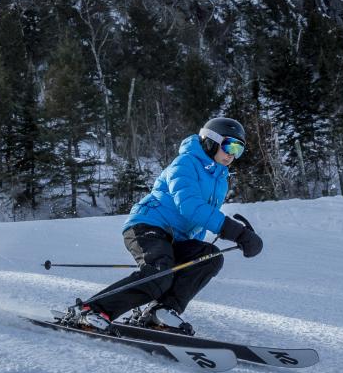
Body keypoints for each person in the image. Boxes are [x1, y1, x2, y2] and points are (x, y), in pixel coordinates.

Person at [70, 116, 264, 335]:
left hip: (176, 238)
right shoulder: (186, 163)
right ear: (211, 141)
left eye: (239, 149)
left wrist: (194, 258)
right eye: (230, 145)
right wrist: (237, 232)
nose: (232, 154)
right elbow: (191, 207)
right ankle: (91, 310)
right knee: (159, 273)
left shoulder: (220, 178)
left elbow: (197, 222)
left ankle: (161, 311)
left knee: (208, 257)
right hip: (147, 225)